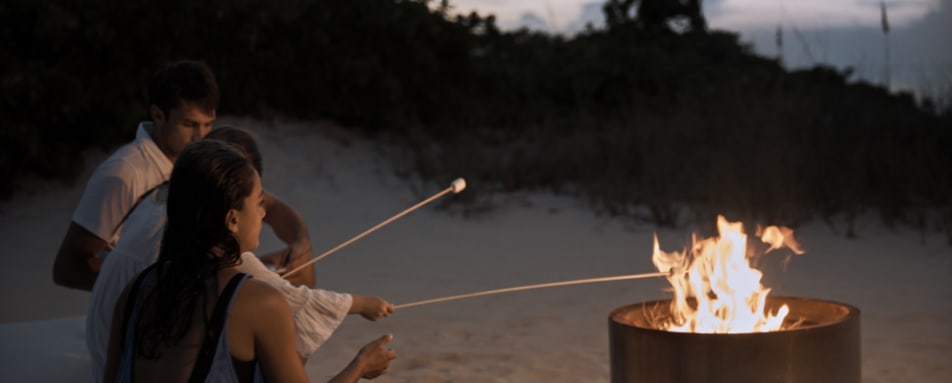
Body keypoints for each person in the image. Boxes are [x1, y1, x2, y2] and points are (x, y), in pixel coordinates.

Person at [86, 126, 395, 382]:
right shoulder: (258, 302)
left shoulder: (136, 290)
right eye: (258, 202)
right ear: (232, 219)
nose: (262, 213)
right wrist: (361, 365)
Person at [52, 60, 316, 291]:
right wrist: (153, 292)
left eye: (208, 124)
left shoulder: (201, 158)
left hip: (199, 279)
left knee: (301, 267)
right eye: (189, 124)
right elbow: (67, 268)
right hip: (156, 297)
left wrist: (299, 241)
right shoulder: (124, 174)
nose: (200, 136)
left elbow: (267, 204)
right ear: (158, 115)